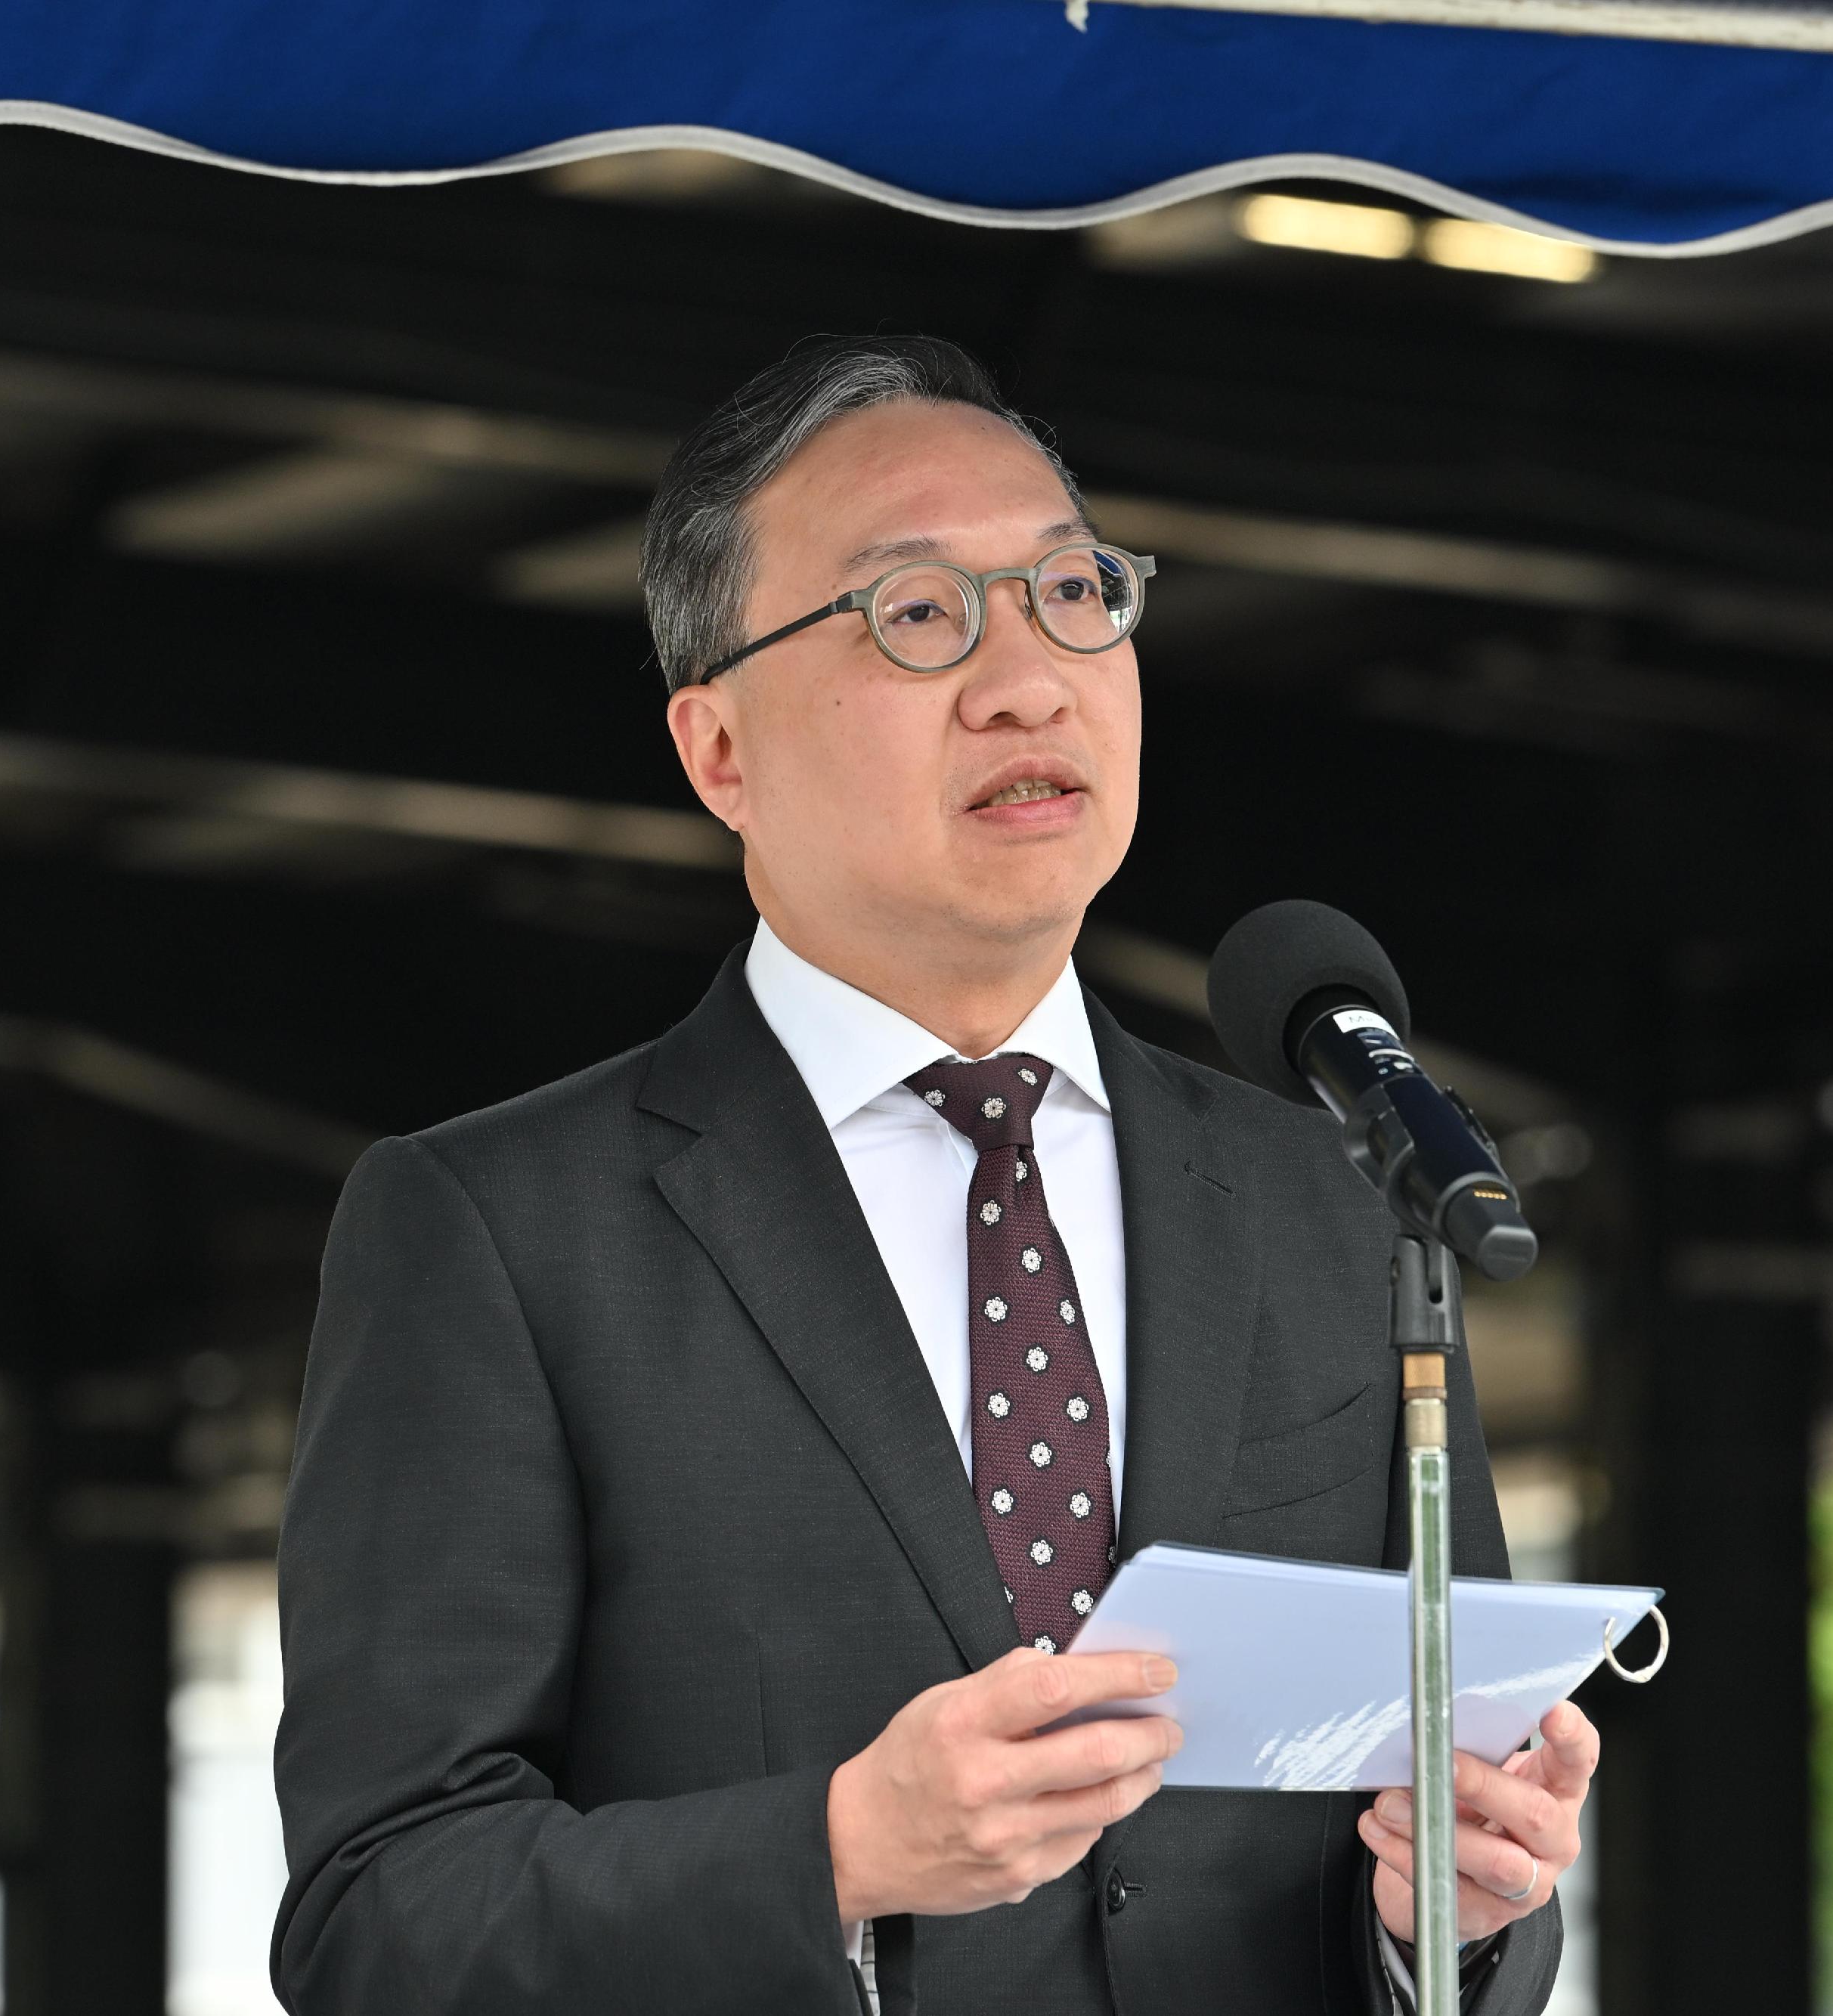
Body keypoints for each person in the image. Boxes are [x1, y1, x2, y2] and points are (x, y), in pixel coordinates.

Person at [271, 334, 1598, 2016]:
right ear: (719, 750)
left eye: (1072, 592)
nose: (1027, 681)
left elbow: (1458, 1831)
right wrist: (835, 1850)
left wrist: (1456, 1916)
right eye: (917, 614)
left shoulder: (1334, 1192)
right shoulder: (501, 1232)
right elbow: (378, 1918)